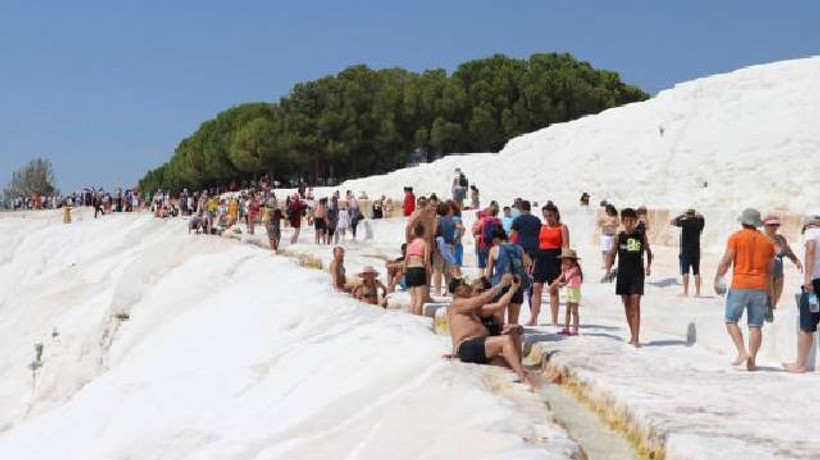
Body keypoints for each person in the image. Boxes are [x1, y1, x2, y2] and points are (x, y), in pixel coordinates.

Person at [714, 208, 774, 371]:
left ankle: (742, 352)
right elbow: (770, 272)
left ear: (743, 222)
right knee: (755, 325)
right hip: (760, 286)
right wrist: (770, 296)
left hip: (740, 284)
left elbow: (726, 261)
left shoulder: (736, 237)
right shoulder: (768, 242)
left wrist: (718, 278)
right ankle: (752, 361)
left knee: (731, 320)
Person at [447, 274, 534, 387]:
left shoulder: (471, 308)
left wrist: (513, 288)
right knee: (505, 340)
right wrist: (501, 284)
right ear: (458, 291)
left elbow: (499, 305)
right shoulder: (457, 304)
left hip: (476, 345)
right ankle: (522, 377)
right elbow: (482, 299)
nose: (468, 286)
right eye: (465, 285)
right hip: (466, 346)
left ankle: (523, 372)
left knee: (508, 357)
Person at [605, 207, 652, 348]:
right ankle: (632, 334)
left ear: (635, 220)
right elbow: (612, 254)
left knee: (636, 304)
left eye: (631, 220)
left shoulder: (640, 235)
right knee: (627, 304)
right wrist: (608, 269)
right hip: (623, 274)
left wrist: (648, 266)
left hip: (637, 274)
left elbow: (648, 251)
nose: (628, 223)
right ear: (622, 221)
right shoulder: (620, 237)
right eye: (625, 220)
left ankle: (636, 338)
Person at [784, 214, 820, 373]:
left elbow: (810, 251)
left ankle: (800, 364)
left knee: (807, 326)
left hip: (814, 284)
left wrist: (807, 279)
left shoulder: (811, 233)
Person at [529, 204, 570, 327]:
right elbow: (539, 245)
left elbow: (566, 245)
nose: (548, 218)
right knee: (536, 287)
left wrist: (565, 263)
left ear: (556, 214)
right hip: (541, 258)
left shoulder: (562, 227)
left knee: (553, 289)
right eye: (546, 216)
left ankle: (554, 320)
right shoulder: (542, 227)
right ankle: (533, 318)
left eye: (550, 215)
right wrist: (534, 264)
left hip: (555, 258)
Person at [485, 227, 531, 324]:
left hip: (500, 284)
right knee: (513, 322)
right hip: (517, 284)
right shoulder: (519, 248)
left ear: (495, 239)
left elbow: (489, 272)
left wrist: (487, 286)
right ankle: (513, 338)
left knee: (499, 321)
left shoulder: (494, 249)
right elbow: (527, 264)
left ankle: (502, 338)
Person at [763, 215, 803, 308]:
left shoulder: (781, 238)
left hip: (779, 274)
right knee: (768, 302)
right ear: (765, 226)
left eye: (776, 225)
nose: (774, 227)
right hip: (765, 275)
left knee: (775, 301)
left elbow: (788, 251)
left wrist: (796, 260)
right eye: (771, 225)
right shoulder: (760, 238)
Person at [510, 200, 541, 309]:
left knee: (520, 270)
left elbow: (513, 234)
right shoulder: (537, 220)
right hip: (534, 247)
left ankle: (520, 292)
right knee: (532, 272)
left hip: (521, 248)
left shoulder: (517, 220)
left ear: (520, 208)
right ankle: (531, 293)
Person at [671, 209, 706, 297]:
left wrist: (681, 215)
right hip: (696, 250)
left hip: (686, 250)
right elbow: (703, 219)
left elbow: (672, 222)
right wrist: (699, 215)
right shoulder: (699, 223)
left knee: (685, 271)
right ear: (694, 214)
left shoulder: (685, 222)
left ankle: (685, 292)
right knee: (696, 271)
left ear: (687, 214)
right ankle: (698, 293)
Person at [549, 248, 583, 336]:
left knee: (574, 311)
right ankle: (566, 328)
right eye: (563, 260)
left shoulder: (575, 269)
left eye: (565, 260)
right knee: (567, 310)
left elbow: (567, 279)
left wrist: (561, 284)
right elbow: (561, 277)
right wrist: (555, 283)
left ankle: (575, 329)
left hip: (575, 291)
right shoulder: (566, 269)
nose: (563, 262)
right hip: (569, 290)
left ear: (572, 261)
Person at [405, 223, 431, 315]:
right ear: (424, 233)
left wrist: (405, 270)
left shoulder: (410, 244)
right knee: (420, 298)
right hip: (418, 269)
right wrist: (428, 272)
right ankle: (419, 319)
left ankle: (412, 319)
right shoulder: (425, 244)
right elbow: (426, 260)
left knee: (413, 299)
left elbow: (406, 260)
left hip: (409, 270)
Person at [598, 204, 619, 269]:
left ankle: (610, 262)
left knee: (612, 250)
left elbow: (618, 224)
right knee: (604, 250)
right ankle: (604, 262)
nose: (609, 212)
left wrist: (612, 224)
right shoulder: (604, 216)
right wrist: (606, 224)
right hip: (605, 235)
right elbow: (599, 224)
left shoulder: (615, 216)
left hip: (612, 235)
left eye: (610, 210)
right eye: (608, 210)